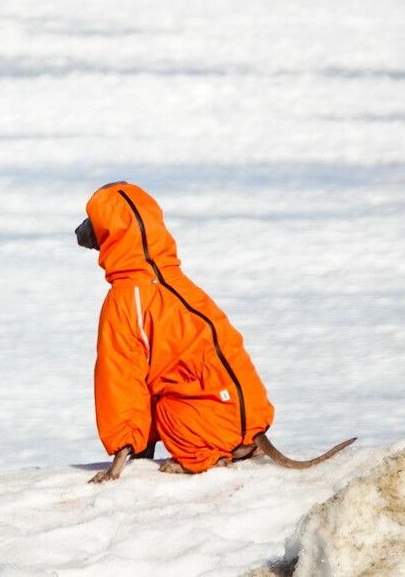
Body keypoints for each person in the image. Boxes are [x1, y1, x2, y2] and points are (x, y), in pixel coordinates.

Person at [75, 182, 273, 480]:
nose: (83, 230)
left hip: (211, 426)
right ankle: (236, 442)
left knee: (149, 386)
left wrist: (116, 464)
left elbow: (121, 379)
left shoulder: (130, 300)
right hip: (246, 418)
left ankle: (202, 456)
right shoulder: (178, 285)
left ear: (114, 234)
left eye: (95, 223)